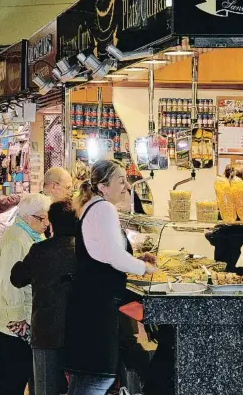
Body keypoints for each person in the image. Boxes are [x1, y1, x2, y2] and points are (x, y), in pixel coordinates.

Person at [65, 160, 157, 395]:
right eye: (121, 180)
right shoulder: (104, 208)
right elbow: (113, 255)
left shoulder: (92, 207)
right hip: (96, 307)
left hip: (88, 304)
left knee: (89, 379)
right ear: (104, 186)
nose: (127, 186)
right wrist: (144, 268)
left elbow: (105, 250)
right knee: (95, 379)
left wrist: (137, 258)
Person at [0, 193, 51, 395]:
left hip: (20, 319)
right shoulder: (16, 239)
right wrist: (18, 320)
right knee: (14, 378)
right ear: (27, 216)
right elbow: (10, 282)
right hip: (12, 322)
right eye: (42, 218)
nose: (46, 223)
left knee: (21, 374)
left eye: (47, 218)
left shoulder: (31, 235)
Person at [10, 200, 77, 395]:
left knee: (45, 387)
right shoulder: (84, 251)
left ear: (52, 224)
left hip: (46, 330)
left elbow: (18, 279)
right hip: (78, 331)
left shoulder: (40, 250)